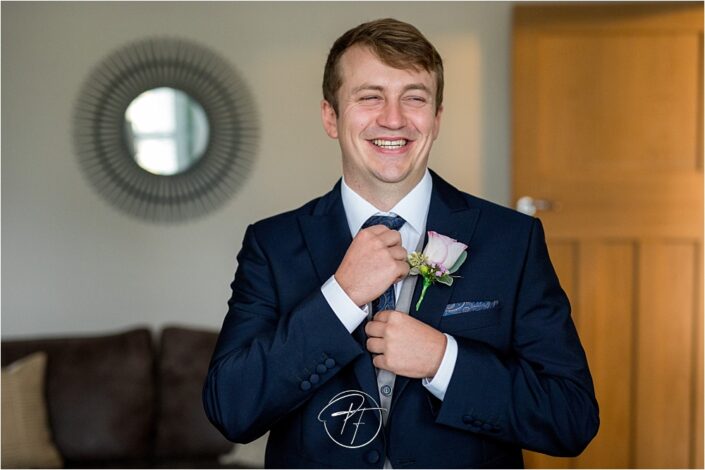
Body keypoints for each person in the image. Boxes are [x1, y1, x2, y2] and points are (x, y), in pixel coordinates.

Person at [203, 18, 599, 468]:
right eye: (370, 96)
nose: (393, 118)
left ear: (436, 118)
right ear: (331, 117)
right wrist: (341, 297)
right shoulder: (271, 245)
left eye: (414, 97)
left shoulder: (512, 240)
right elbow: (230, 410)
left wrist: (443, 361)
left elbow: (571, 417)